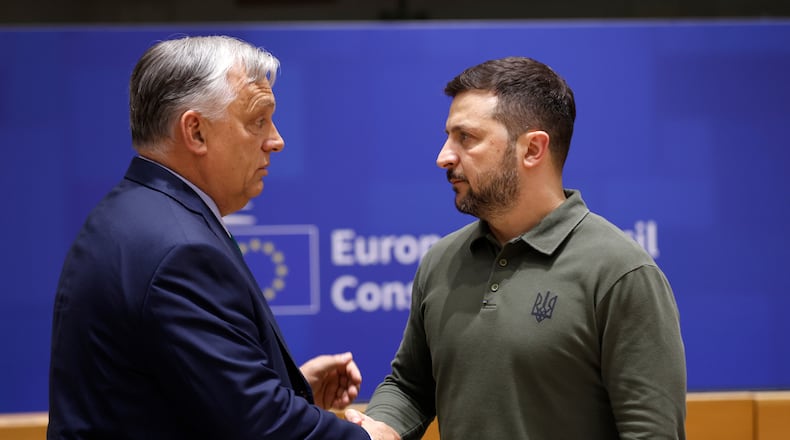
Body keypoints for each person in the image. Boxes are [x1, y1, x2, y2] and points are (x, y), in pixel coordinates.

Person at [48, 35, 399, 440]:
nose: (276, 140)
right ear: (195, 132)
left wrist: (291, 387)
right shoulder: (180, 250)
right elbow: (257, 427)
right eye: (258, 120)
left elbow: (180, 393)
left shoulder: (129, 213)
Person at [346, 57, 687, 438]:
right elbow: (410, 385)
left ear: (532, 149)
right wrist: (376, 428)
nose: (444, 156)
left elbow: (651, 433)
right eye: (448, 136)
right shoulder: (441, 262)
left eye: (466, 138)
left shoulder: (621, 273)